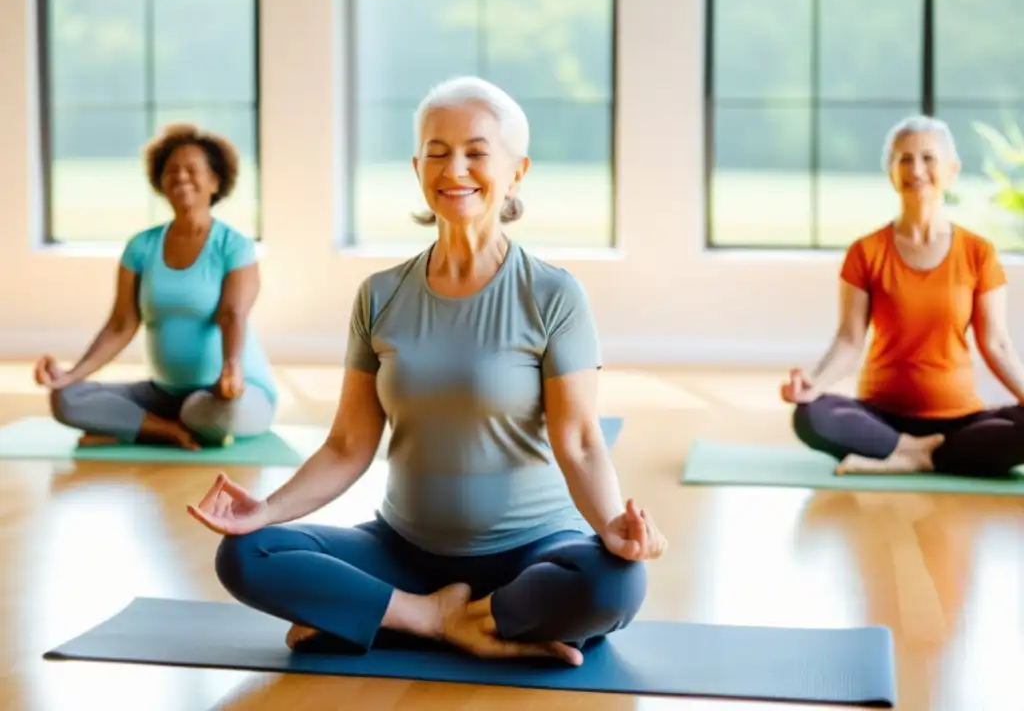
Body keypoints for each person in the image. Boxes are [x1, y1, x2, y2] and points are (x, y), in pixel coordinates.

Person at [187, 76, 666, 666]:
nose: (454, 168)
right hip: (403, 552)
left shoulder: (553, 295)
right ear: (417, 167)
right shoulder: (380, 295)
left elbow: (581, 440)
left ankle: (382, 614)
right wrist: (266, 510)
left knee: (613, 585)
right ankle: (436, 619)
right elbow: (346, 445)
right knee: (244, 555)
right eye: (437, 153)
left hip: (534, 554)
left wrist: (614, 525)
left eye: (476, 152)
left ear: (517, 171)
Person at [781, 114, 1024, 478]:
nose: (917, 169)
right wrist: (813, 386)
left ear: (952, 170)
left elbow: (997, 344)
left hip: (959, 422)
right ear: (890, 172)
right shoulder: (865, 252)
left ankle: (910, 457)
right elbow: (849, 340)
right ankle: (914, 451)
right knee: (811, 415)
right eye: (904, 159)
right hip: (881, 417)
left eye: (929, 158)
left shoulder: (979, 253)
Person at [33, 123, 278, 451]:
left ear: (215, 181)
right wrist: (70, 375)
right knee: (66, 398)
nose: (181, 177)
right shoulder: (142, 247)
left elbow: (233, 313)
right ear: (160, 181)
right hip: (162, 393)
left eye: (192, 170)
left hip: (227, 394)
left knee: (214, 414)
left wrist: (231, 369)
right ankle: (166, 430)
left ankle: (131, 428)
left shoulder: (234, 246)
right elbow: (121, 325)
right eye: (171, 170)